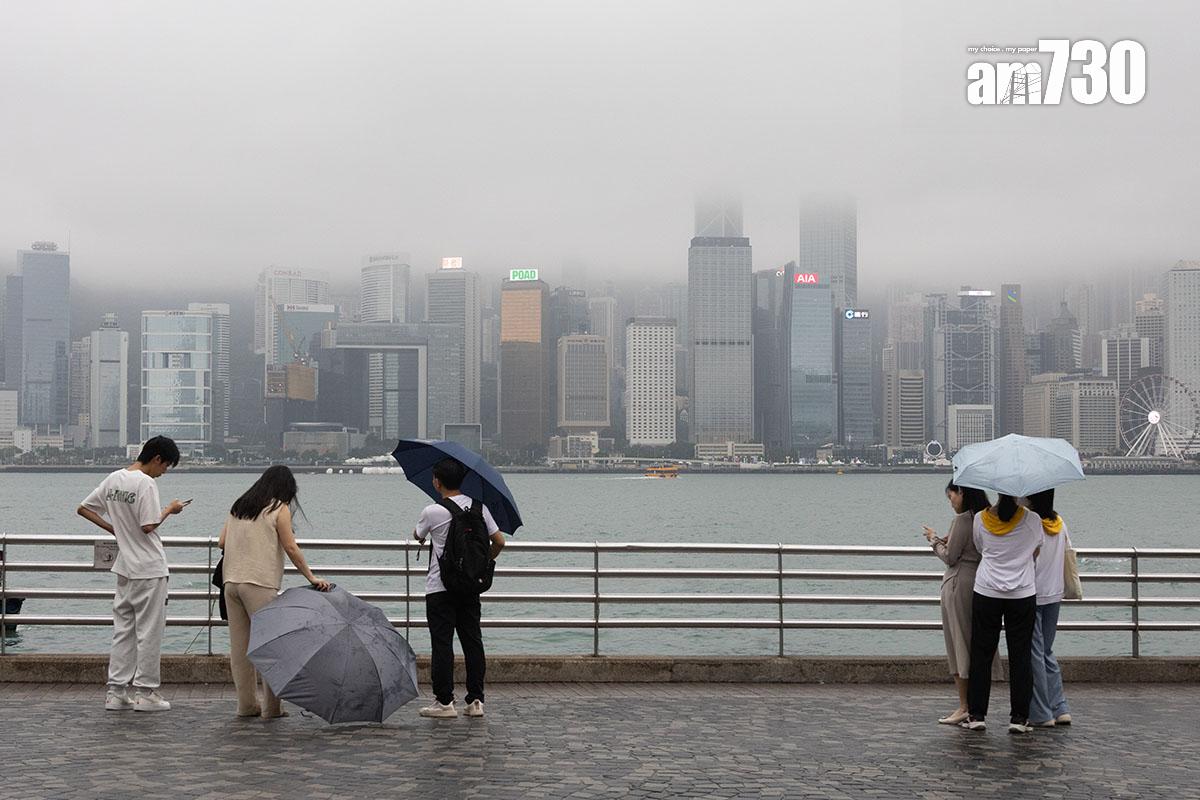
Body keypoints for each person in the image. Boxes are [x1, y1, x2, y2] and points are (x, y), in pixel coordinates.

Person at [77, 436, 188, 712]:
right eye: (165, 467)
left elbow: (84, 508)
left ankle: (116, 692)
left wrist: (114, 529)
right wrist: (171, 510)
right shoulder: (146, 483)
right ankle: (146, 693)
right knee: (149, 632)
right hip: (149, 568)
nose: (163, 473)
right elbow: (149, 525)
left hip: (125, 568)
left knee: (123, 631)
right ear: (157, 458)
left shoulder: (114, 479)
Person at [218, 465, 330, 719]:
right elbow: (290, 548)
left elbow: (222, 542)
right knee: (271, 647)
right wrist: (311, 577)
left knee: (240, 649)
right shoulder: (278, 508)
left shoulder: (240, 505)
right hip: (259, 583)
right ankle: (272, 708)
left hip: (231, 582)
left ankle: (246, 706)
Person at [413, 457, 506, 719]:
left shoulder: (433, 511)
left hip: (440, 587)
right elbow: (499, 542)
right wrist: (482, 565)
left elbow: (417, 535)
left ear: (437, 481)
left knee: (442, 644)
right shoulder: (480, 508)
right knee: (472, 641)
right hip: (469, 586)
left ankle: (444, 703)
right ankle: (476, 701)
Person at [961, 493, 1045, 735]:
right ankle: (1019, 718)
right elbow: (1035, 552)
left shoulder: (980, 519)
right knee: (1021, 655)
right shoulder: (1033, 520)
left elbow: (980, 548)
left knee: (981, 653)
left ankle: (977, 714)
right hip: (1021, 593)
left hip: (987, 590)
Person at [923, 480, 992, 725]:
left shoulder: (963, 520)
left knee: (958, 643)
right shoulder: (985, 516)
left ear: (961, 492)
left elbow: (950, 557)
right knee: (976, 643)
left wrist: (934, 540)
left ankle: (964, 705)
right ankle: (975, 706)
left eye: (951, 496)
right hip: (981, 582)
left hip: (959, 582)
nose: (951, 502)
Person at [1026, 488, 1073, 728]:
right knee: (1046, 651)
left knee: (1034, 654)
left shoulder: (1031, 524)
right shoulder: (1059, 523)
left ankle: (1042, 712)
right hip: (1055, 594)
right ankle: (1060, 707)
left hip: (1032, 594)